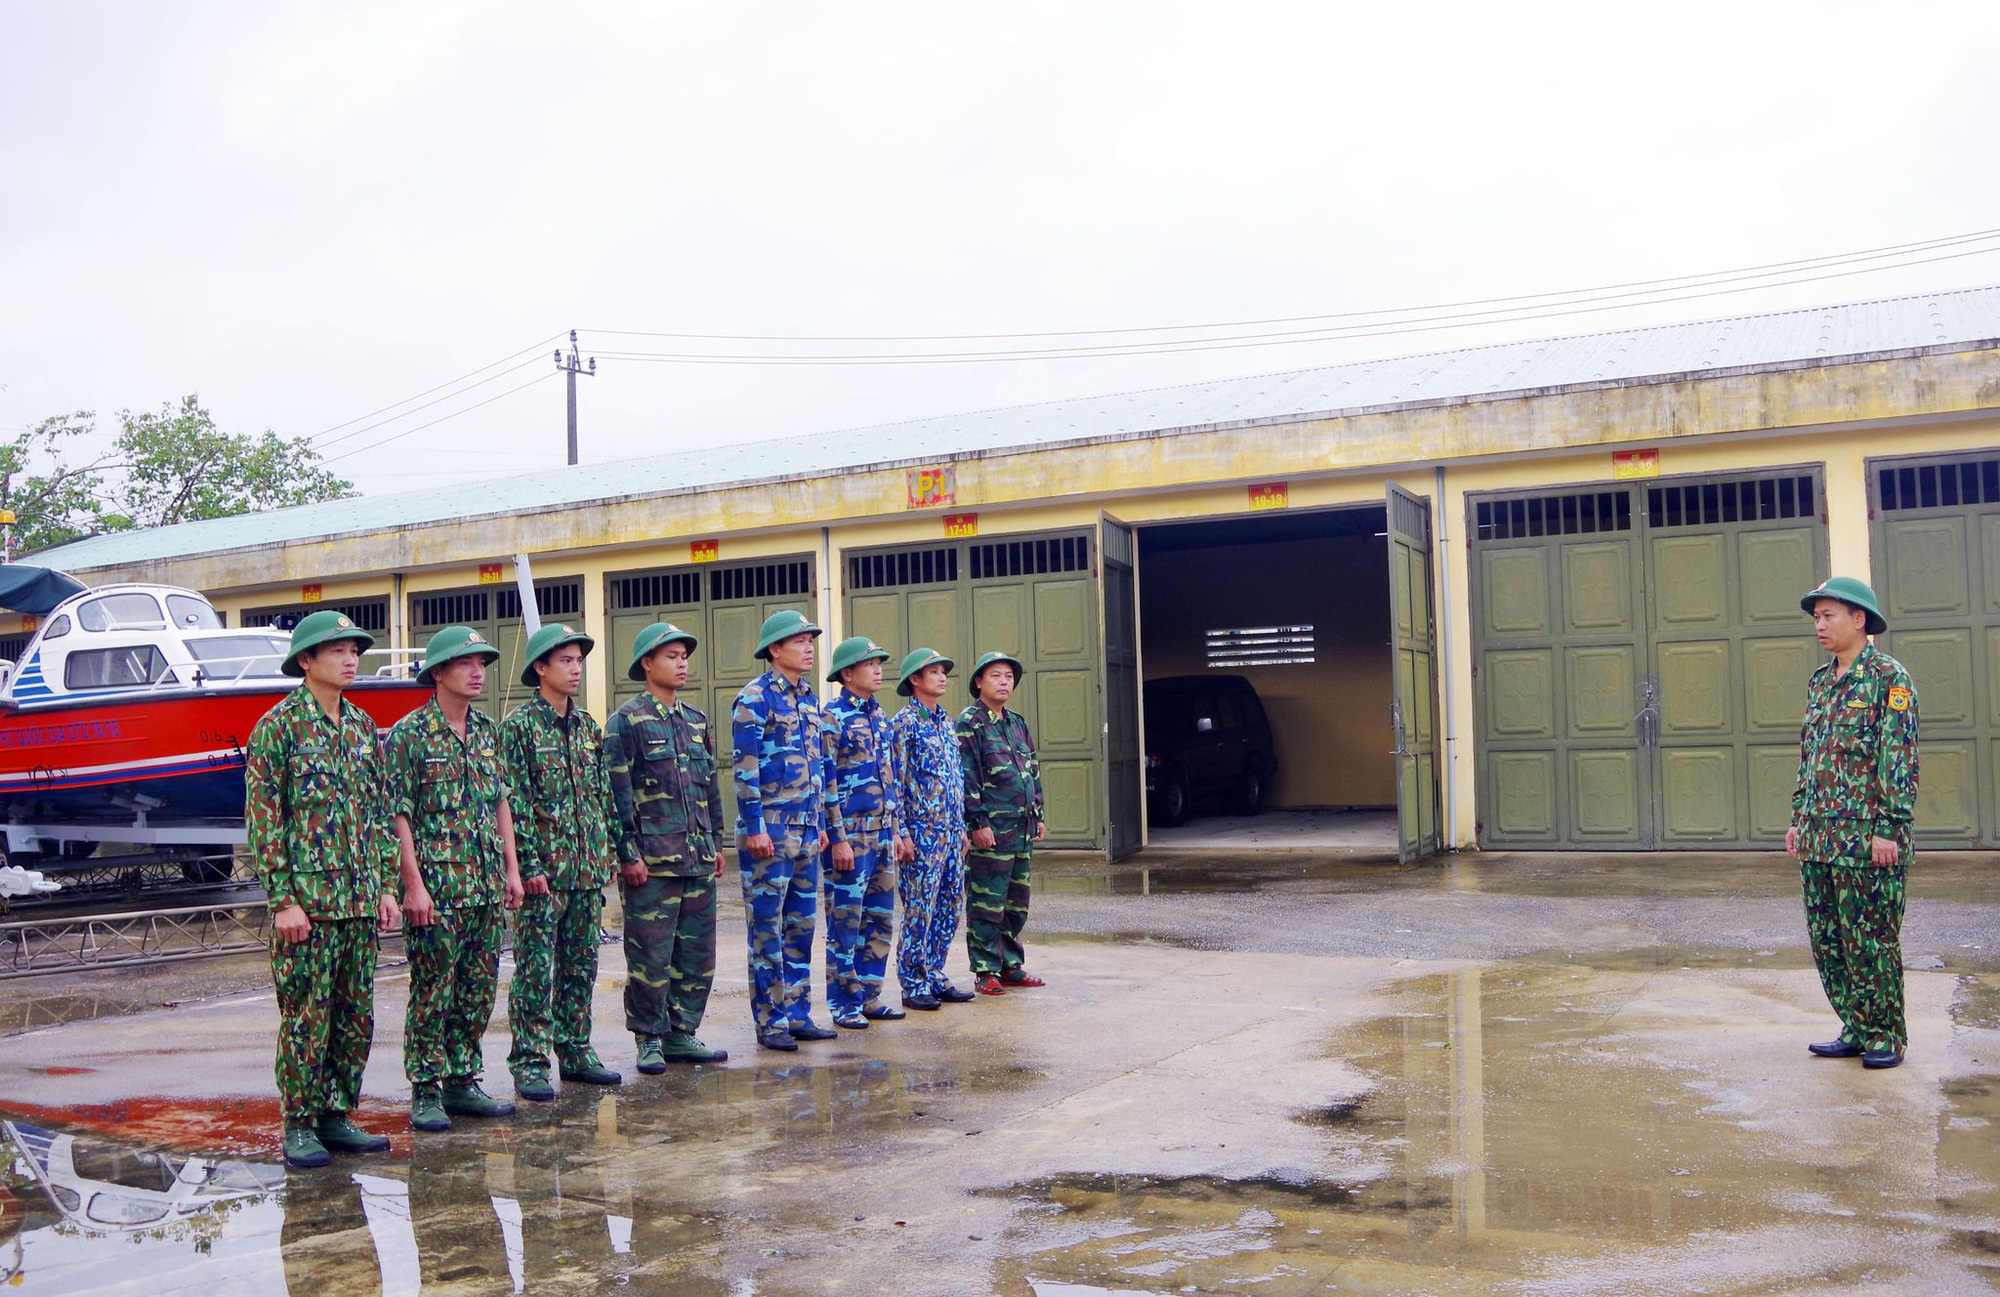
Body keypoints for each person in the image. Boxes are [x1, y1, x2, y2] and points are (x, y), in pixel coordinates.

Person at [244, 610, 400, 1169]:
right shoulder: (278, 728)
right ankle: (300, 1122)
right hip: (308, 907)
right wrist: (282, 900)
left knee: (355, 1015)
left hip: (358, 904)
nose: (351, 658)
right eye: (337, 650)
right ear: (306, 660)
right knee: (307, 1017)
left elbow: (378, 814)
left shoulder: (360, 727)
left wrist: (385, 886)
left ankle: (337, 1114)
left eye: (355, 649)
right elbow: (265, 822)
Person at [387, 626, 526, 1131]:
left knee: (477, 990)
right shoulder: (409, 734)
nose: (476, 672)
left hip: (485, 887)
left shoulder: (488, 731)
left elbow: (501, 802)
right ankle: (425, 1089)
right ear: (439, 672)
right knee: (432, 992)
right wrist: (413, 885)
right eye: (465, 663)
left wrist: (512, 870)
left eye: (482, 664)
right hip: (438, 893)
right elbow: (397, 815)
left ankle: (463, 1081)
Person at [1787, 576, 1920, 1070]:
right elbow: (1811, 756)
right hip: (1821, 836)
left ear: (1858, 619)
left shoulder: (1890, 678)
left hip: (1868, 839)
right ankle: (1856, 1024)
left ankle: (1886, 1034)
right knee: (1829, 940)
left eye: (1828, 615)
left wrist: (1890, 826)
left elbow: (1899, 759)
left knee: (1872, 941)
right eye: (1816, 617)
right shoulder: (1821, 682)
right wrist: (1800, 818)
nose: (1819, 625)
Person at [501, 622, 623, 1099]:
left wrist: (608, 847)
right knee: (535, 970)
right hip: (544, 876)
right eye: (566, 661)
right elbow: (515, 802)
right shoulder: (519, 728)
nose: (575, 669)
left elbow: (600, 793)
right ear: (541, 668)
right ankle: (531, 1061)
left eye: (578, 660)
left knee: (580, 967)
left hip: (586, 870)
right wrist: (528, 865)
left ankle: (575, 1050)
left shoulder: (587, 726)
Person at [604, 621, 729, 1070]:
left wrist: (716, 842)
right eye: (671, 656)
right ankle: (649, 1037)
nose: (682, 663)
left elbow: (710, 787)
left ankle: (682, 1031)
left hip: (696, 857)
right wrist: (627, 852)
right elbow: (616, 794)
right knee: (650, 956)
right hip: (652, 864)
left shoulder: (695, 721)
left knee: (697, 954)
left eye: (683, 656)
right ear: (647, 664)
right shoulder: (626, 723)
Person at [731, 609, 837, 1051]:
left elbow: (819, 766)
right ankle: (770, 1020)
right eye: (799, 641)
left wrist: (824, 824)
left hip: (807, 831)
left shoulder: (809, 698)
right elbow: (745, 768)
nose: (809, 647)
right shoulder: (755, 698)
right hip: (769, 834)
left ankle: (797, 1011)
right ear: (775, 650)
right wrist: (754, 826)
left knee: (800, 926)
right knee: (766, 931)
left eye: (811, 640)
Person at [820, 636, 905, 1029]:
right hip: (851, 837)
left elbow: (890, 778)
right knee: (846, 924)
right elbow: (827, 781)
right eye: (868, 663)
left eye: (879, 662)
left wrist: (897, 830)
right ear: (847, 673)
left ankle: (869, 995)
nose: (878, 669)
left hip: (882, 834)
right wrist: (837, 837)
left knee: (879, 919)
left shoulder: (879, 716)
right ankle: (843, 1003)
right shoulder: (833, 718)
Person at [885, 648, 975, 1010]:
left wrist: (963, 828)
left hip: (952, 833)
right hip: (922, 834)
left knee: (950, 906)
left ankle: (934, 972)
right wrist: (902, 831)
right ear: (914, 681)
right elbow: (898, 781)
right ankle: (912, 980)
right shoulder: (904, 724)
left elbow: (955, 779)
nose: (942, 677)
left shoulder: (945, 722)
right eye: (933, 672)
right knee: (919, 909)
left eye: (943, 671)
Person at [957, 651, 1047, 996]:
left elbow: (1031, 772)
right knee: (986, 902)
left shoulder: (1017, 723)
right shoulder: (970, 723)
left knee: (1015, 902)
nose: (1004, 681)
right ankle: (985, 970)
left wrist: (1037, 814)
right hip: (991, 830)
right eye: (996, 675)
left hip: (1020, 829)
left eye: (1009, 676)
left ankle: (1011, 965)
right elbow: (968, 777)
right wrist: (976, 823)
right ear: (979, 681)